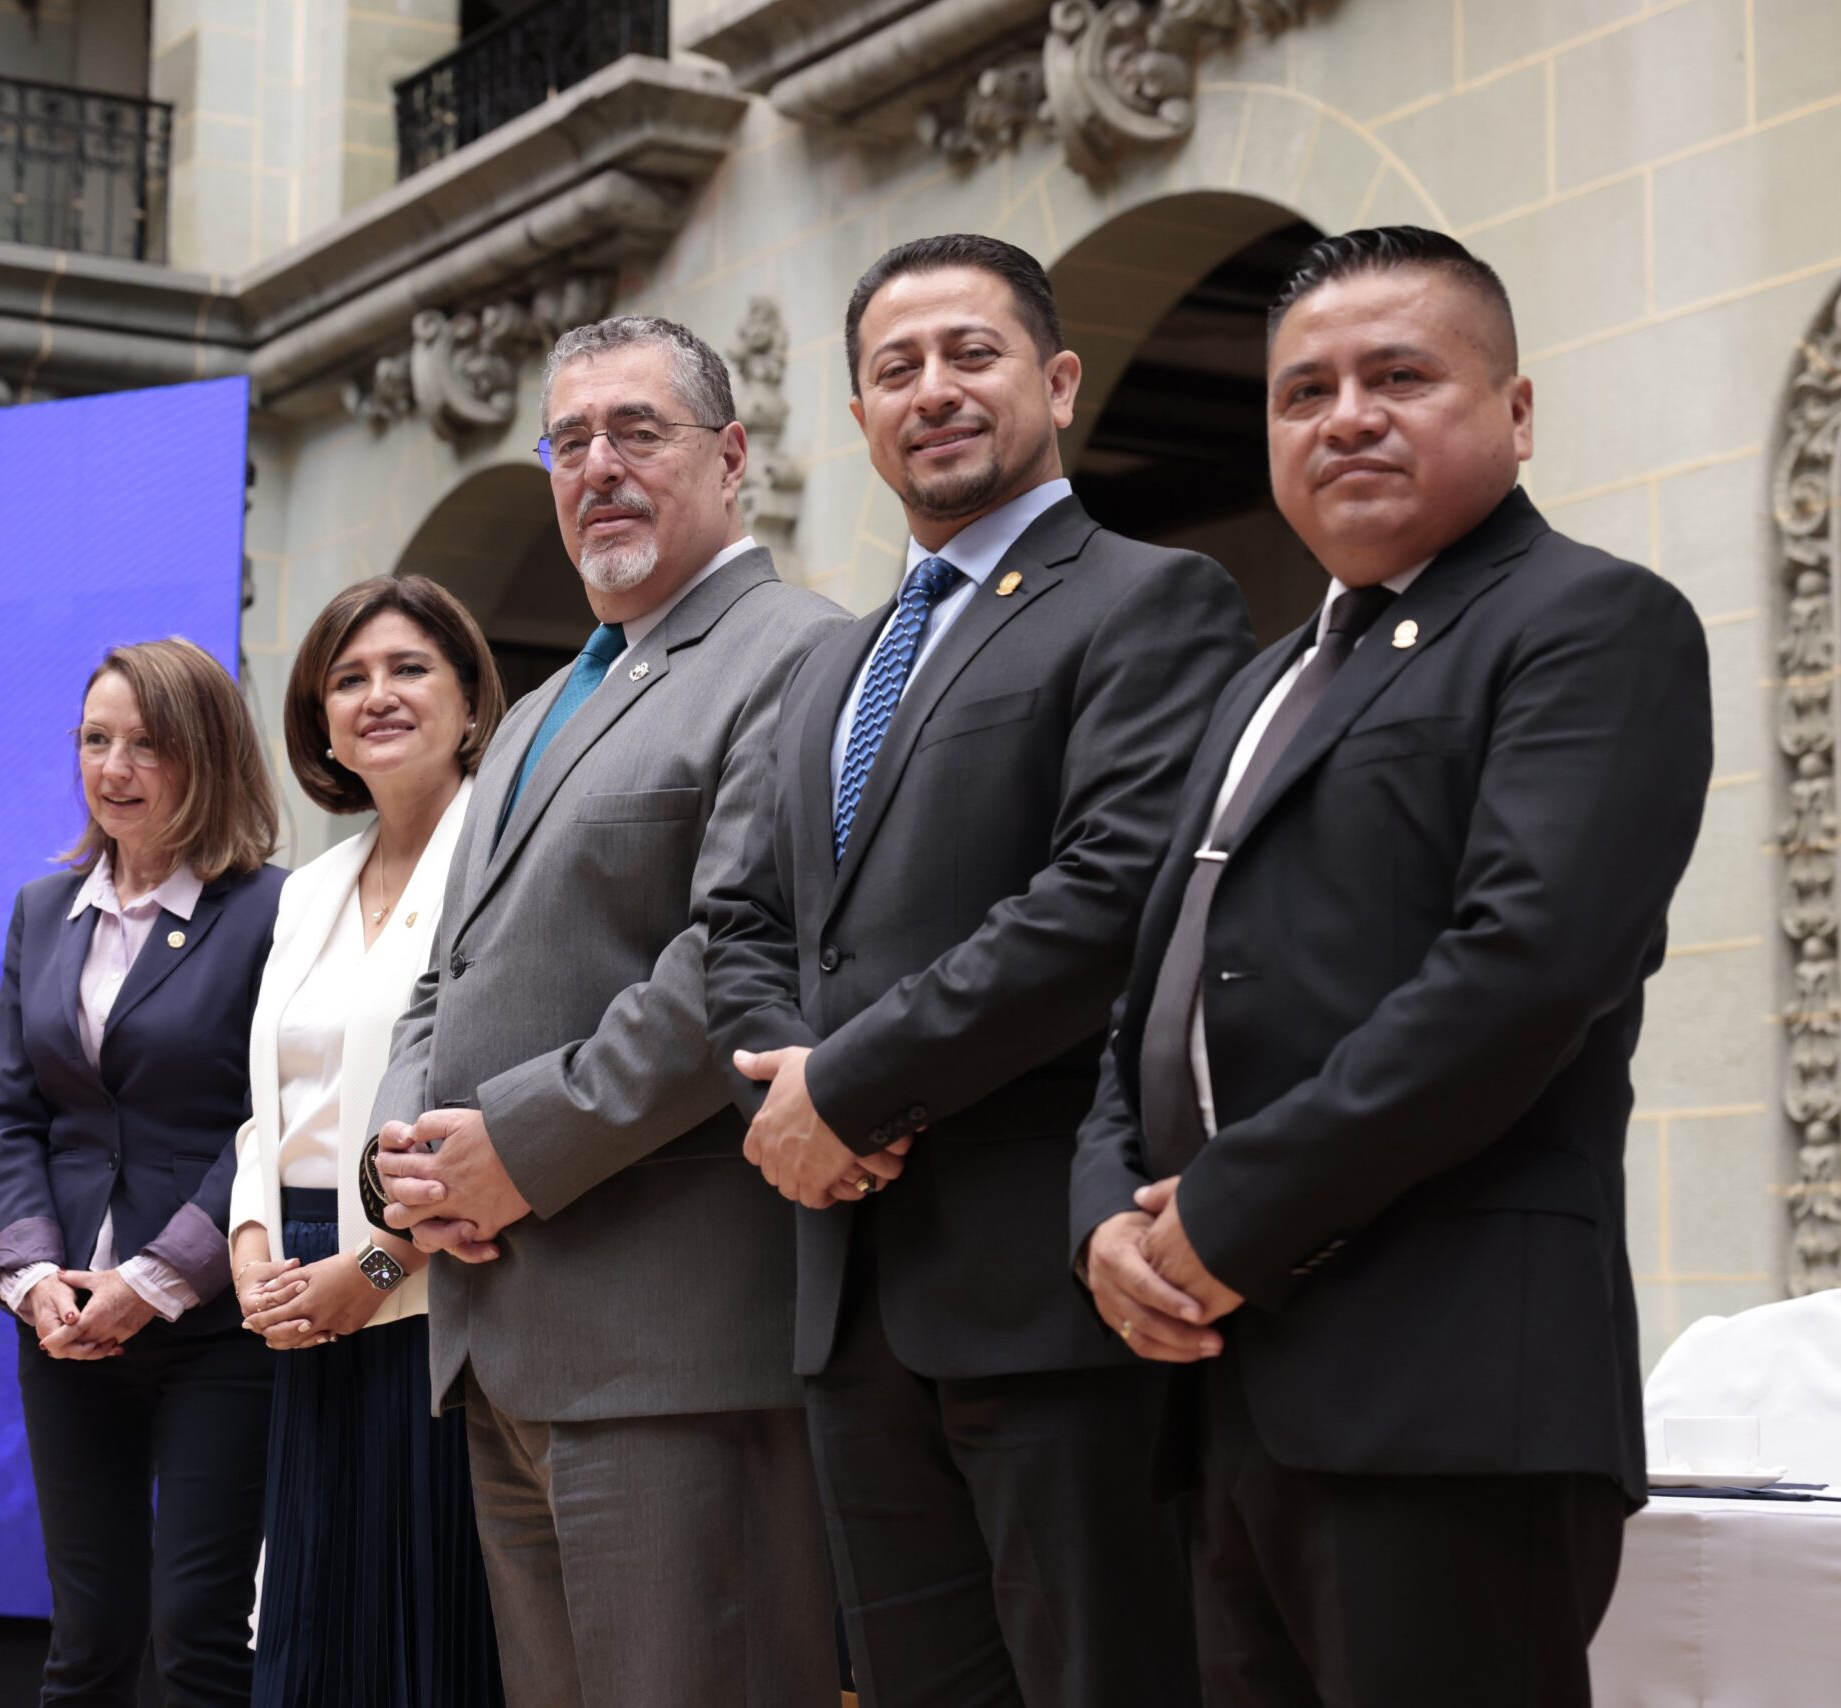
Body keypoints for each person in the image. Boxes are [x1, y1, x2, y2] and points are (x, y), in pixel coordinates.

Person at [1068, 226, 1713, 1708]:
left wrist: (1220, 1214)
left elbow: (1523, 973)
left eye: (1398, 374)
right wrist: (1104, 1212)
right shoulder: (1264, 679)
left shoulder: (1589, 624)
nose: (1344, 414)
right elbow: (1149, 996)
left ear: (1518, 411)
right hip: (1225, 1392)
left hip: (1450, 1397)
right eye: (1303, 392)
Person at [702, 233, 1253, 1708]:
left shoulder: (1152, 599)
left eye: (972, 354)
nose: (933, 391)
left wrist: (854, 1086)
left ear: (1059, 382)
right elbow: (744, 921)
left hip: (1044, 1290)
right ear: (862, 416)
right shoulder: (830, 663)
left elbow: (1104, 900)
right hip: (849, 1296)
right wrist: (788, 1083)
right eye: (896, 369)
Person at [365, 315, 850, 1708]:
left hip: (674, 1346)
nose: (599, 467)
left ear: (734, 455)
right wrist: (407, 1164)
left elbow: (732, 961)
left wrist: (511, 1150)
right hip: (501, 1337)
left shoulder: (796, 652)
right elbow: (444, 975)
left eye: (638, 431)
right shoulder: (532, 715)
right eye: (569, 441)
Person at [0, 637, 287, 1708]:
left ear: (204, 754)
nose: (114, 768)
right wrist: (33, 1279)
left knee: (198, 1633)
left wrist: (151, 1280)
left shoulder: (272, 912)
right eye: (94, 741)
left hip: (212, 1332)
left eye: (145, 743)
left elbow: (267, 1127)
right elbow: (11, 1113)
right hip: (63, 1326)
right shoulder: (37, 912)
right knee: (88, 1638)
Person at [227, 574, 508, 1707]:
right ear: (319, 719)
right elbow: (268, 1105)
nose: (375, 695)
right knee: (315, 1638)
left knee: (430, 1644)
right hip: (303, 1304)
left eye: (407, 669)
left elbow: (495, 1107)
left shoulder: (501, 853)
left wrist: (383, 1264)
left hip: (441, 1305)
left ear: (470, 700)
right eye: (348, 678)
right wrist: (252, 1243)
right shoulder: (310, 888)